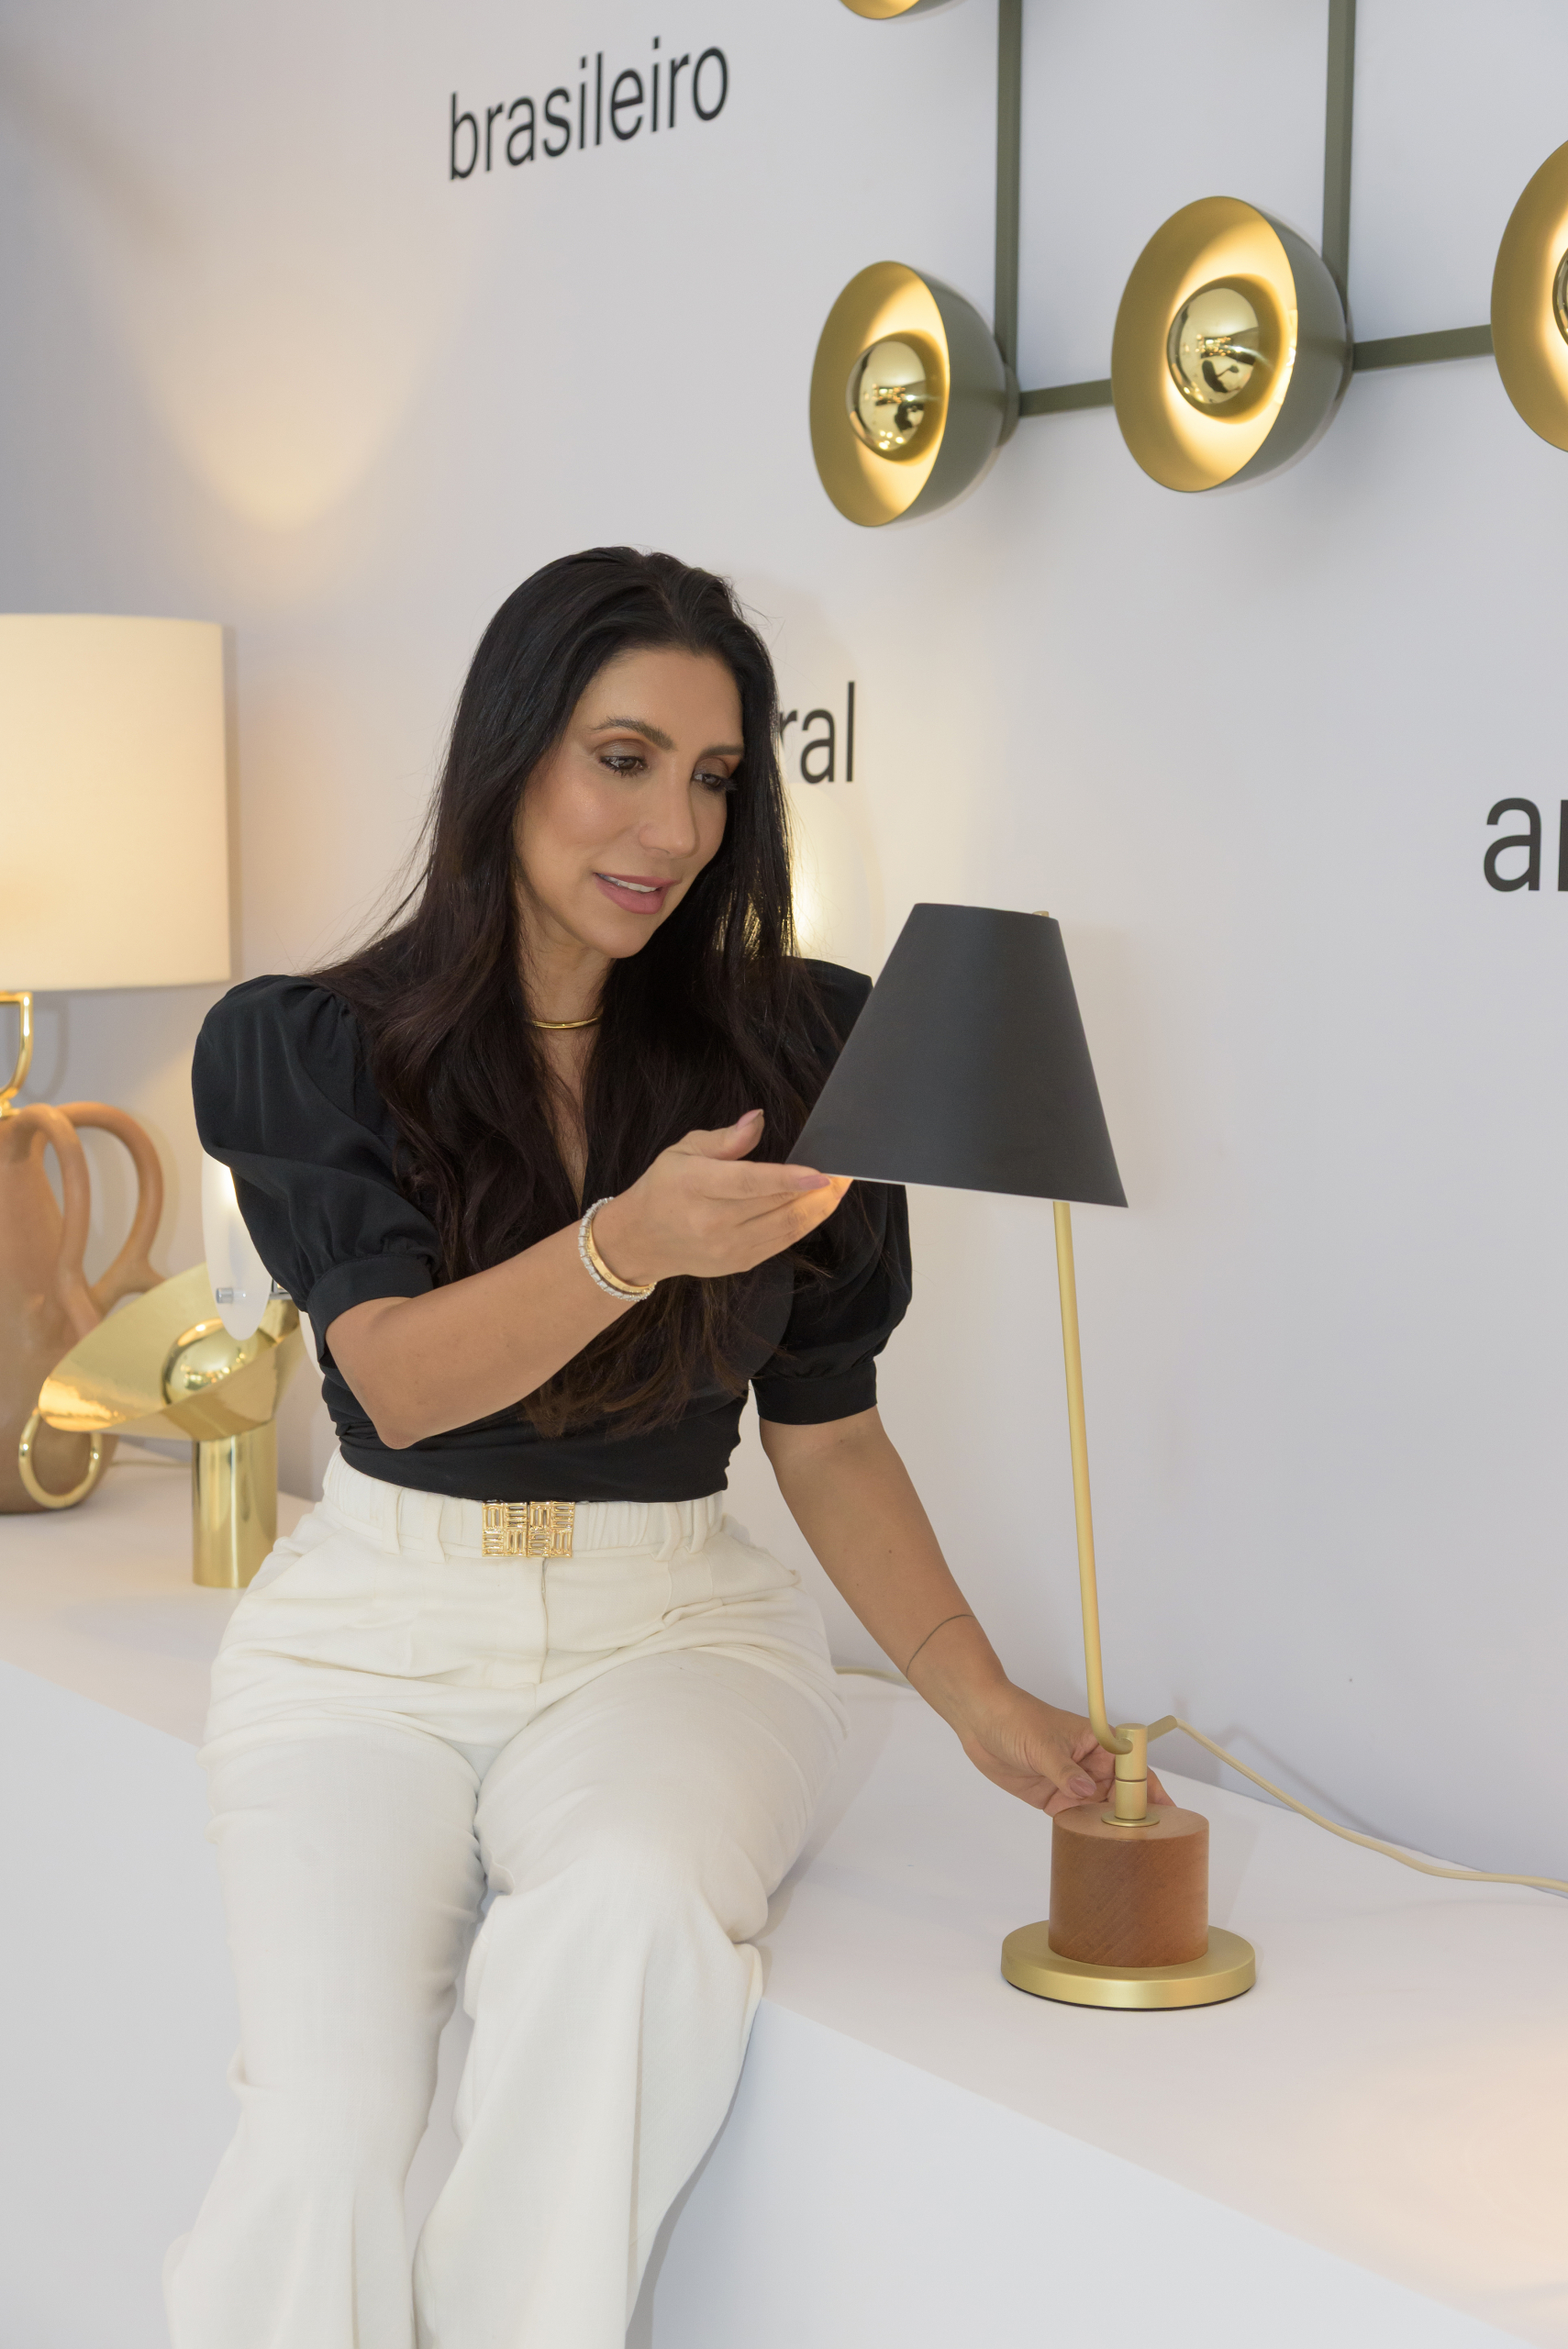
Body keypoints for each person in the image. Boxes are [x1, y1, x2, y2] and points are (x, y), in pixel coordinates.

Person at [170, 547, 1153, 2349]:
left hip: (671, 1636)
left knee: (624, 1930)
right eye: (623, 760)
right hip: (364, 1647)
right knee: (323, 2136)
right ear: (509, 751)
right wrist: (628, 1242)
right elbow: (398, 1383)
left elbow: (829, 1435)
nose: (674, 828)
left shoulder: (798, 1040)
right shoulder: (314, 1045)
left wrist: (975, 1694)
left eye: (712, 778)